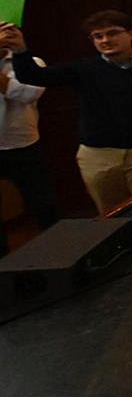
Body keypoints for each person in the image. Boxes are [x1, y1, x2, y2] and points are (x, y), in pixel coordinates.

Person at [1, 12, 132, 213]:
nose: (105, 40)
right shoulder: (83, 68)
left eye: (112, 33)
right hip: (98, 155)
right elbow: (33, 76)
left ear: (131, 34)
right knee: (111, 215)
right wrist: (20, 49)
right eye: (98, 36)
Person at [1, 45, 58, 251]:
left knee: (43, 206)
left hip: (25, 146)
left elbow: (28, 95)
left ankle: (56, 253)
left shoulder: (31, 63)